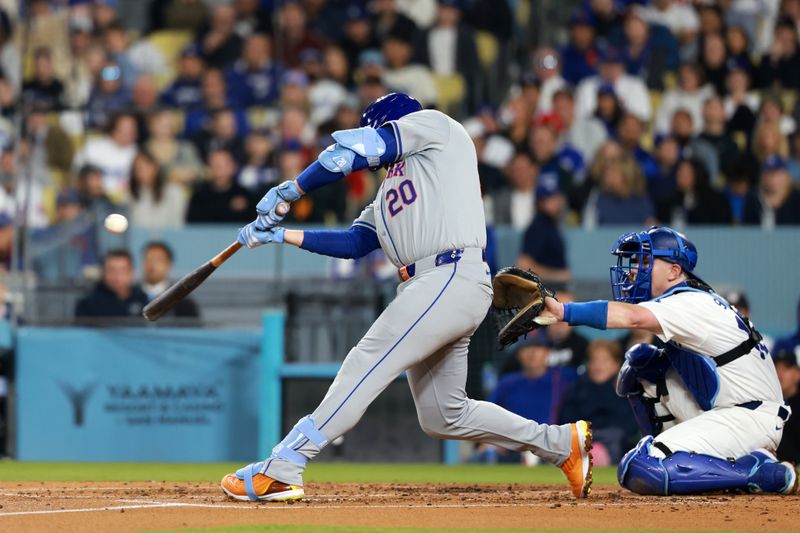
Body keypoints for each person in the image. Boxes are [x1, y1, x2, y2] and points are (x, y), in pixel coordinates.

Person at [221, 92, 594, 501]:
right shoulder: (389, 192)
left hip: (447, 276)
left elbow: (351, 153)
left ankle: (285, 464)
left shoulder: (436, 126)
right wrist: (282, 236)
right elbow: (354, 242)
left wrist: (292, 189)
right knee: (444, 415)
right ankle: (560, 444)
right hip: (436, 287)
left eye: (379, 129)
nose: (377, 140)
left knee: (366, 361)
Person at [536, 226, 797, 495]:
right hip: (731, 410)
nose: (635, 269)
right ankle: (681, 454)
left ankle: (755, 472)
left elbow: (632, 317)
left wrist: (563, 311)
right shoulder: (689, 298)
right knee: (642, 364)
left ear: (674, 272)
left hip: (749, 418)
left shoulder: (688, 301)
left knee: (642, 467)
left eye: (646, 261)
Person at [559, 340, 639, 464]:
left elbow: (631, 423)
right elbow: (567, 417)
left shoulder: (627, 389)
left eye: (604, 361)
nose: (598, 365)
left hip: (613, 438)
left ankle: (594, 458)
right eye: (594, 360)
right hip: (584, 436)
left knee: (614, 437)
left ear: (616, 364)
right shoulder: (578, 387)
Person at [491, 335, 577, 424]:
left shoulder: (565, 377)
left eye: (538, 347)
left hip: (552, 435)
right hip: (514, 436)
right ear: (518, 354)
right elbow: (490, 414)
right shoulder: (506, 383)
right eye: (526, 347)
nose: (532, 353)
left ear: (548, 352)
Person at [516, 173, 570, 284]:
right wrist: (559, 275)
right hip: (545, 290)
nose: (556, 201)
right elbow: (523, 266)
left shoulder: (551, 224)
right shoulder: (538, 226)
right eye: (549, 198)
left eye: (556, 196)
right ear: (539, 202)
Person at [75, 249, 149, 319]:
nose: (117, 276)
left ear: (131, 273)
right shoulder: (87, 304)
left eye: (122, 270)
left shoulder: (143, 300)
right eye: (112, 270)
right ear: (103, 272)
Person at [186, 149, 253, 223]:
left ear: (233, 167)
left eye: (222, 165)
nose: (217, 168)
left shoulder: (244, 195)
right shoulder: (199, 196)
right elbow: (193, 225)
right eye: (214, 164)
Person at [128, 151, 187, 229]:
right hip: (139, 238)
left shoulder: (174, 191)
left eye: (145, 167)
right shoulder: (129, 195)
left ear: (155, 167)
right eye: (138, 169)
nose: (142, 172)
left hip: (169, 238)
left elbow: (177, 223)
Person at [141, 241, 200, 319]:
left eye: (158, 259)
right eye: (148, 259)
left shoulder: (183, 303)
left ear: (168, 264)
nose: (152, 264)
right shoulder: (129, 297)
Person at [774, 348, 800, 464]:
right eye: (777, 368)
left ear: (797, 374)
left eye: (786, 369)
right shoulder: (765, 405)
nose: (780, 374)